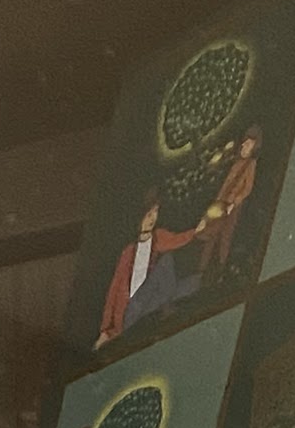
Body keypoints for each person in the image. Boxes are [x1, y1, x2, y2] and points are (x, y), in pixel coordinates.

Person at [180, 127, 262, 291]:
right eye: (244, 143)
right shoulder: (236, 160)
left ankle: (220, 270)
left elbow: (247, 188)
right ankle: (202, 271)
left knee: (224, 237)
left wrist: (233, 203)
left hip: (230, 207)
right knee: (211, 236)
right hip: (220, 204)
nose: (244, 146)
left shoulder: (250, 164)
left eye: (248, 144)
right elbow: (225, 182)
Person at [98, 196, 185, 344]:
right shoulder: (128, 252)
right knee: (166, 263)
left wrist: (203, 228)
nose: (153, 218)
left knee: (187, 281)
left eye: (155, 212)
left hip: (148, 306)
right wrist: (105, 330)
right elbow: (115, 288)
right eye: (149, 214)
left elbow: (181, 239)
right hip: (132, 312)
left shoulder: (159, 238)